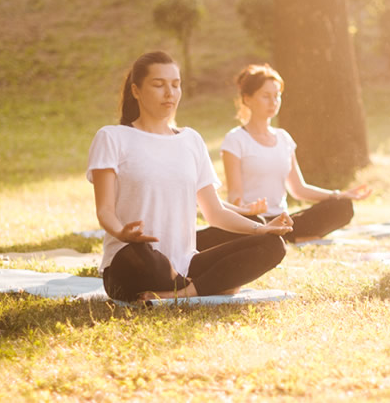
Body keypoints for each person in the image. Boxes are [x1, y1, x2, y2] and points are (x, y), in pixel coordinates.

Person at [88, 52, 293, 301]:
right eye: (158, 85)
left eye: (175, 85)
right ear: (136, 90)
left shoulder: (190, 140)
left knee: (271, 245)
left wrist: (261, 229)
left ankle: (186, 291)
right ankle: (215, 284)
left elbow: (214, 212)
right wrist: (122, 233)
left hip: (185, 264)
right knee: (141, 255)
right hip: (133, 261)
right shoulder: (112, 137)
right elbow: (105, 210)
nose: (169, 93)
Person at [194, 64, 371, 249]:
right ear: (247, 99)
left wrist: (339, 195)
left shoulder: (284, 138)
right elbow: (235, 194)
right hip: (253, 220)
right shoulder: (236, 139)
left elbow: (299, 189)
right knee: (255, 221)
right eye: (266, 96)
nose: (273, 101)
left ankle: (282, 236)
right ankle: (273, 236)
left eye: (277, 95)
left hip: (284, 221)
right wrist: (245, 209)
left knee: (341, 207)